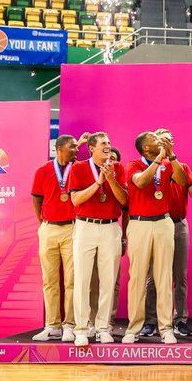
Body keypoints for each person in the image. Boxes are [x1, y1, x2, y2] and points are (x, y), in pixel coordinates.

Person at [122, 130, 190, 345]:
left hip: (163, 222)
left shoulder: (167, 162)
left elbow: (181, 181)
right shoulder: (133, 164)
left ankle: (166, 328)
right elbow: (141, 182)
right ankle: (133, 328)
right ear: (145, 148)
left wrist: (171, 156)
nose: (159, 140)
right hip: (139, 223)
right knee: (138, 279)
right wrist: (158, 160)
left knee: (163, 278)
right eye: (154, 139)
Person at [67, 132, 127, 347]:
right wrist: (98, 183)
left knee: (108, 281)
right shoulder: (79, 168)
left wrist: (110, 179)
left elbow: (123, 200)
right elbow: (75, 199)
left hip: (110, 227)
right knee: (82, 280)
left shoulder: (118, 168)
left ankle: (103, 327)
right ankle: (81, 328)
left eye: (110, 143)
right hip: (85, 226)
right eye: (103, 143)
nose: (108, 146)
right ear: (92, 148)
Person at [140, 127, 192, 339]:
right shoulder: (149, 167)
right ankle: (151, 320)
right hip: (156, 224)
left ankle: (180, 319)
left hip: (178, 224)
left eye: (169, 140)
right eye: (161, 141)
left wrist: (172, 157)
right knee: (153, 277)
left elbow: (188, 187)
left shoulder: (180, 165)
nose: (166, 144)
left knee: (180, 275)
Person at [30, 133, 83, 342]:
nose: (76, 149)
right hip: (48, 228)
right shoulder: (42, 171)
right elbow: (36, 199)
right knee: (49, 280)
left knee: (72, 280)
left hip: (72, 228)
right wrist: (43, 221)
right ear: (60, 148)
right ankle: (52, 325)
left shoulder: (78, 169)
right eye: (73, 147)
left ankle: (69, 325)